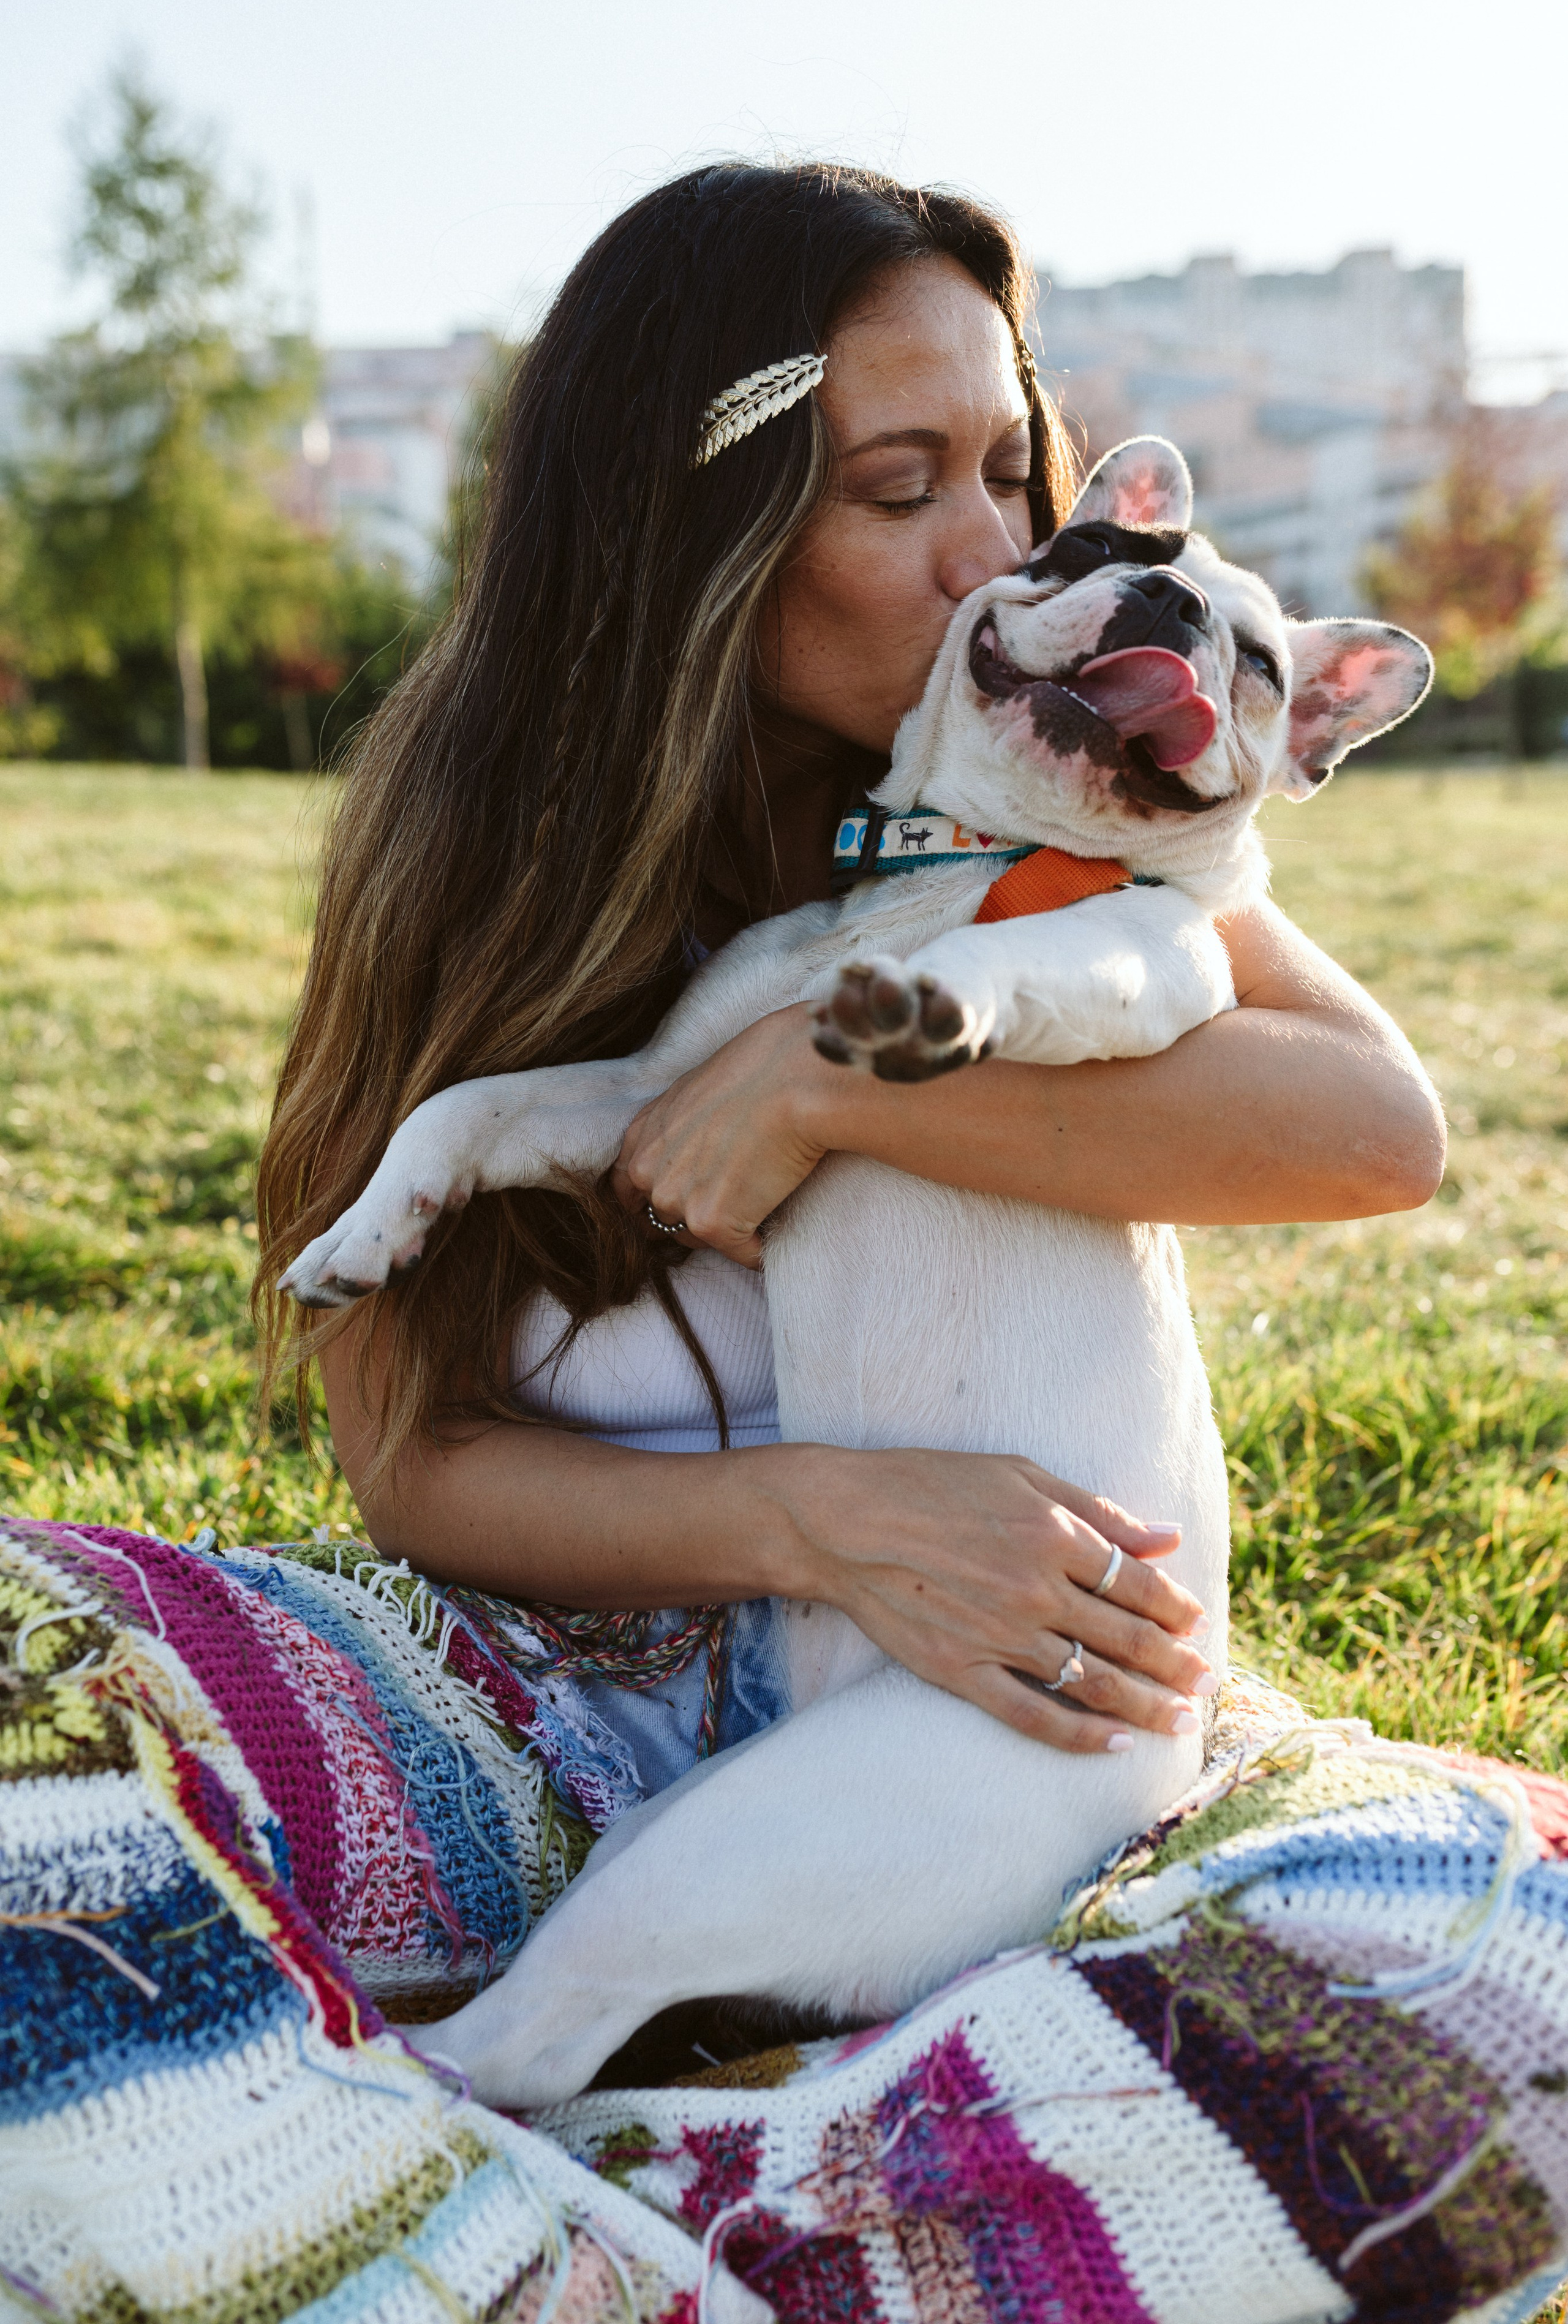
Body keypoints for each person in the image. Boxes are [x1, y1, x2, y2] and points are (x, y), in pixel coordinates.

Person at [255, 163, 1442, 1813]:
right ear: (693, 534)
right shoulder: (469, 852)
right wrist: (829, 1520)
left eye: (1017, 478)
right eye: (902, 493)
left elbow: (1377, 1131)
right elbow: (406, 1464)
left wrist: (817, 1080)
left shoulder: (1046, 828)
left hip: (993, 1724)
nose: (994, 557)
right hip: (542, 1709)